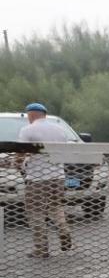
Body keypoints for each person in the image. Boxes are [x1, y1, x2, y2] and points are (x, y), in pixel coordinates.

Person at [16, 103, 74, 258]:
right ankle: (64, 230)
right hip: (58, 177)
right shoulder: (60, 130)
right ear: (44, 114)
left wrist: (17, 163)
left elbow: (21, 152)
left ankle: (41, 249)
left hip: (37, 179)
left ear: (31, 114)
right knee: (56, 207)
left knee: (36, 213)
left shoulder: (28, 130)